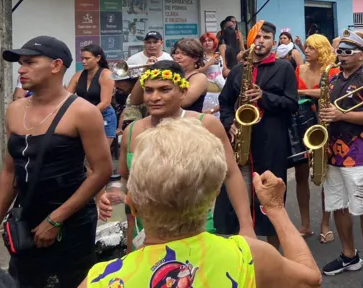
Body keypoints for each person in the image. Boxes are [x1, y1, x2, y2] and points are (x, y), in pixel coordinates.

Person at [83, 119, 322, 288]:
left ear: (131, 202)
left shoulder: (102, 279)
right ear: (213, 196)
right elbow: (310, 280)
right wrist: (276, 209)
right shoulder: (249, 255)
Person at [0, 36, 112, 287]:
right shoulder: (15, 109)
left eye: (30, 62)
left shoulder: (82, 111)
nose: (21, 69)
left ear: (56, 66)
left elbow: (102, 171)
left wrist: (56, 219)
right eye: (21, 63)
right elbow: (9, 172)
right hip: (26, 217)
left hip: (72, 221)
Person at [105, 60, 254, 249]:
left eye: (164, 89)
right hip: (147, 236)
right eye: (149, 90)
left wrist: (246, 226)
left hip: (196, 231)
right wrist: (117, 192)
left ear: (183, 92)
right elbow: (126, 180)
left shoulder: (205, 124)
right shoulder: (132, 131)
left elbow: (231, 174)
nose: (154, 97)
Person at [218, 21, 298, 245]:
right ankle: (243, 250)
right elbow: (225, 102)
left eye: (266, 37)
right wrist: (228, 122)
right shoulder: (238, 70)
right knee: (237, 200)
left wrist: (263, 96)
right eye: (258, 37)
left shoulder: (284, 68)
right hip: (241, 143)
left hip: (271, 143)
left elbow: (292, 103)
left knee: (271, 199)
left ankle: (274, 251)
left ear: (273, 42)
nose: (261, 40)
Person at [319, 32, 363, 288]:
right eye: (340, 51)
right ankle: (349, 255)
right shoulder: (333, 77)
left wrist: (341, 115)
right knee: (338, 205)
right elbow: (327, 111)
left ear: (361, 54)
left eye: (347, 52)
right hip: (333, 150)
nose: (342, 56)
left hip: (357, 153)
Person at [295, 33, 338, 242]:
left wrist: (302, 91)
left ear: (321, 50)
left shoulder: (332, 70)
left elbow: (329, 93)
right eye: (307, 47)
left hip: (325, 122)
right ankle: (305, 223)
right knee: (300, 174)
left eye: (311, 48)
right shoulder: (300, 69)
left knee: (324, 173)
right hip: (303, 123)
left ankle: (325, 223)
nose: (307, 50)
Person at [66, 44, 116, 146]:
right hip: (84, 116)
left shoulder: (106, 74)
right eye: (82, 58)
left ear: (98, 58)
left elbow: (105, 102)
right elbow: (66, 98)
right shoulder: (78, 75)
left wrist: (87, 116)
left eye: (87, 58)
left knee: (101, 153)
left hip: (104, 116)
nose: (83, 61)